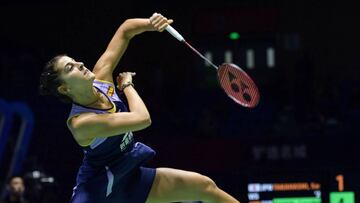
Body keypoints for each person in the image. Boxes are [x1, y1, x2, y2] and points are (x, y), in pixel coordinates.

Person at [39, 12, 239, 203]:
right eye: (70, 68)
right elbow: (142, 119)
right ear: (64, 88)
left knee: (203, 186)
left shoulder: (102, 78)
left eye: (75, 61)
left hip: (129, 177)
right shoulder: (81, 123)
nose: (80, 64)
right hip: (98, 192)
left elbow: (126, 30)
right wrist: (127, 85)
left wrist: (151, 24)